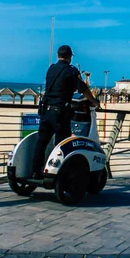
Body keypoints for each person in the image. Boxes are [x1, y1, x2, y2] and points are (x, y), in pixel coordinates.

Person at [31, 45, 100, 179]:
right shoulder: (71, 71)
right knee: (61, 143)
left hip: (46, 110)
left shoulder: (51, 69)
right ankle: (57, 173)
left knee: (42, 141)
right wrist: (94, 101)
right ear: (70, 57)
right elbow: (83, 89)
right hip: (59, 112)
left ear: (58, 56)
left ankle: (35, 171)